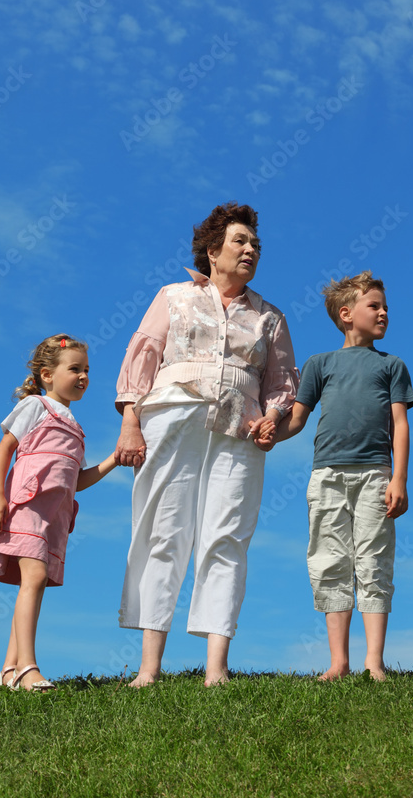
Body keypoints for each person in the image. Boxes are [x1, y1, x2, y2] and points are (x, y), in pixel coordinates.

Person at [114, 202, 299, 686]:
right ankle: (148, 669)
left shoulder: (270, 316)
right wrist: (130, 421)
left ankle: (215, 668)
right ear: (212, 251)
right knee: (164, 530)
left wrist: (273, 418)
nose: (250, 249)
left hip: (239, 427)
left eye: (255, 244)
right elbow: (143, 356)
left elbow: (282, 381)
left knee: (228, 535)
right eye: (240, 241)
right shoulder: (173, 296)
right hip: (171, 416)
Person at [256, 271, 413, 681]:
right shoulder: (319, 364)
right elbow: (297, 420)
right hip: (326, 474)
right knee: (330, 560)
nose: (383, 312)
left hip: (375, 475)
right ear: (346, 314)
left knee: (374, 559)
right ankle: (338, 662)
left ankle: (374, 662)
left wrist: (399, 478)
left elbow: (399, 423)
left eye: (385, 307)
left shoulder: (392, 365)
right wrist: (273, 435)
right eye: (374, 306)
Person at [0, 334, 118, 692]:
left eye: (87, 369)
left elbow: (77, 480)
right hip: (26, 506)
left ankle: (9, 670)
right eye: (75, 368)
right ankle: (28, 667)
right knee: (35, 577)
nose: (84, 376)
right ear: (46, 374)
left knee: (35, 583)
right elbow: (5, 450)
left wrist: (113, 460)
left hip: (55, 518)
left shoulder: (75, 427)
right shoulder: (35, 407)